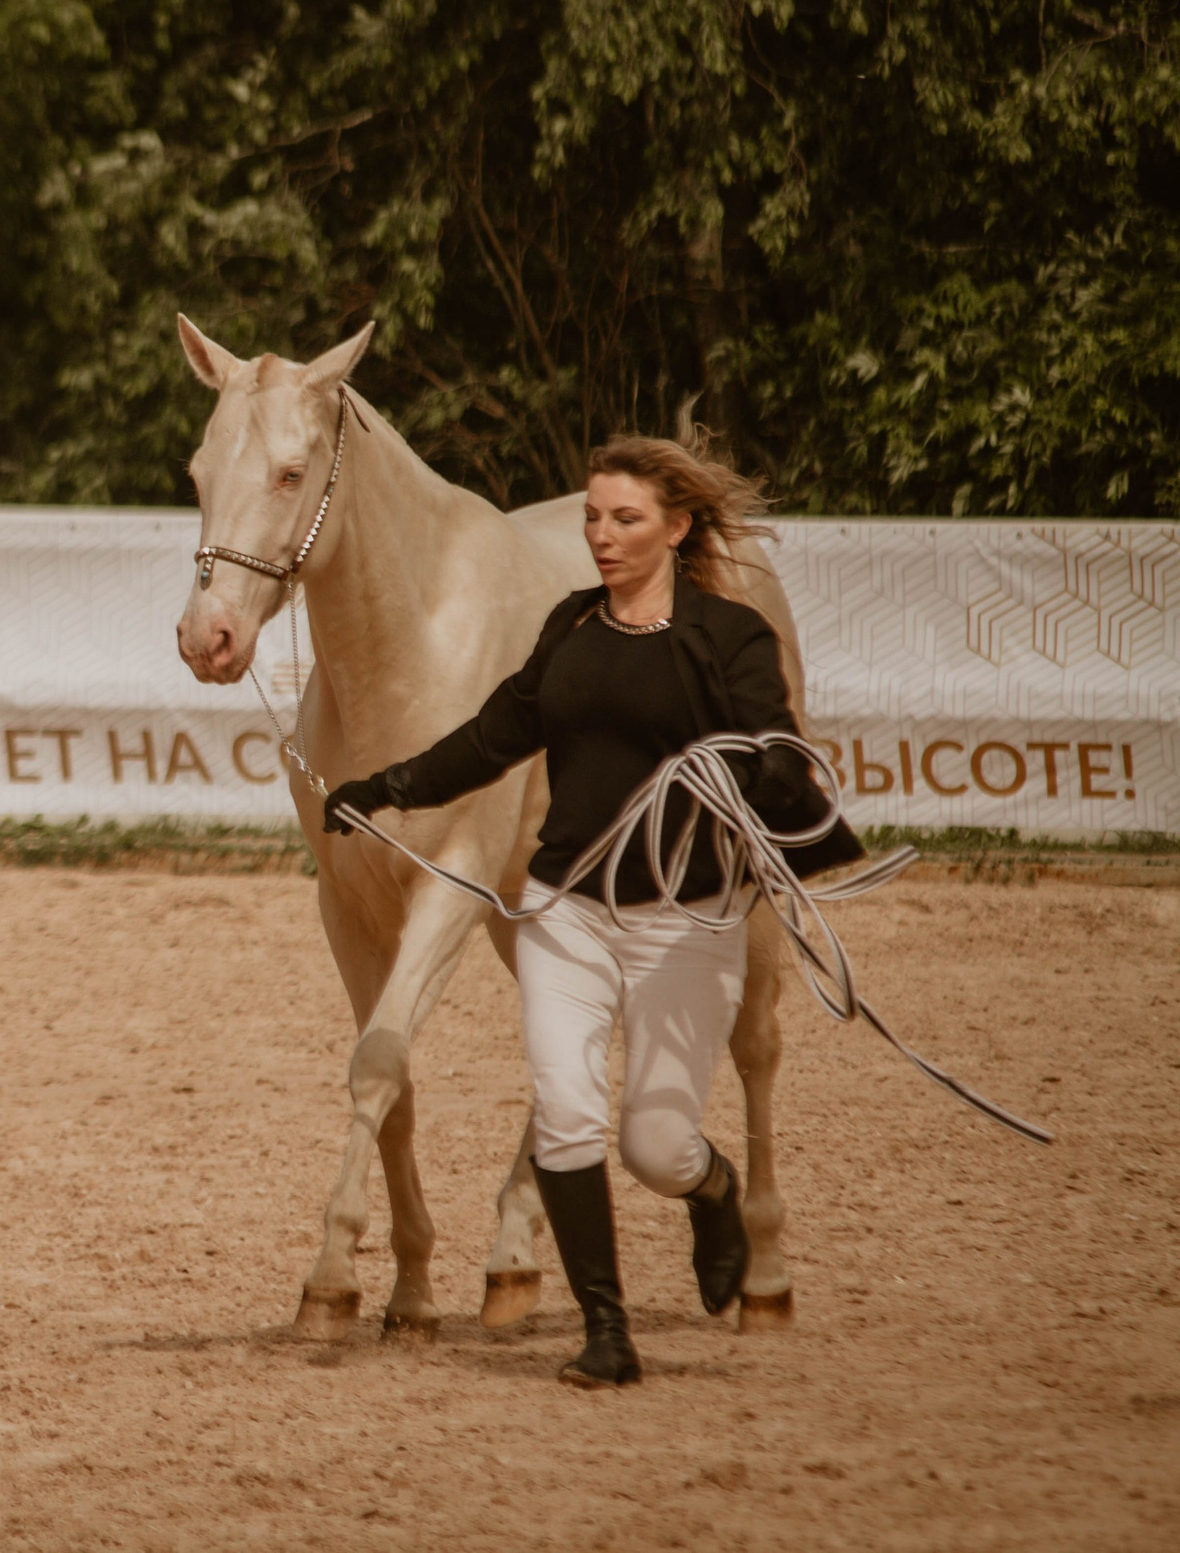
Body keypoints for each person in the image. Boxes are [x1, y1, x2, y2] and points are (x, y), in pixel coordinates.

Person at [323, 435, 861, 1388]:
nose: (602, 538)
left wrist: (775, 764)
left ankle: (714, 1188)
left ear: (677, 527)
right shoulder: (570, 626)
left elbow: (770, 728)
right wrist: (388, 784)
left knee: (654, 1145)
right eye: (592, 519)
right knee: (569, 1117)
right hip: (567, 907)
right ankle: (605, 1330)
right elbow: (499, 730)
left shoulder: (727, 636)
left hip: (684, 915)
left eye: (625, 520)